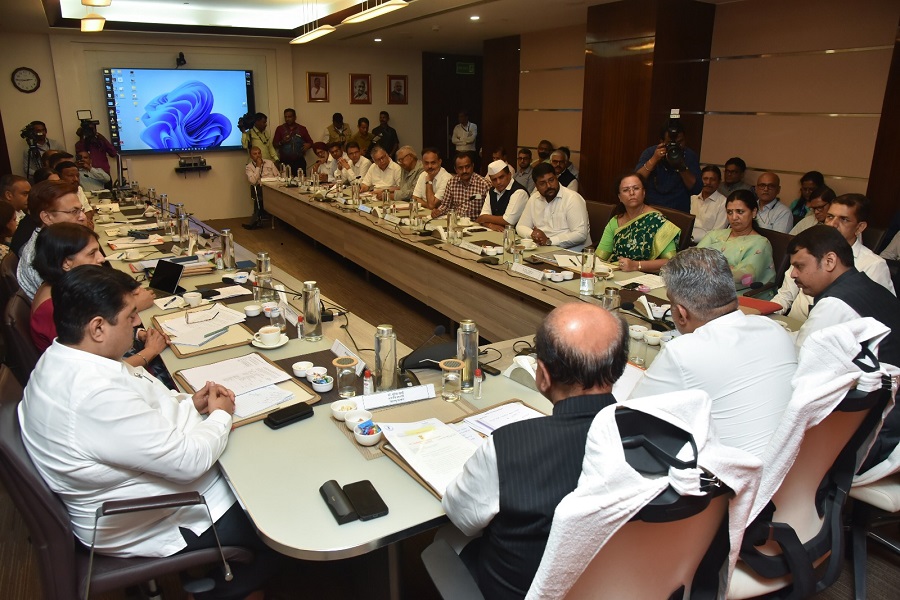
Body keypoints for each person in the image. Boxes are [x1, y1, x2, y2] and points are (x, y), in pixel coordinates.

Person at [19, 265, 277, 599]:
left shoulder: (64, 358)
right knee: (271, 515)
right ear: (98, 327)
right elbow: (188, 461)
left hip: (136, 495)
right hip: (153, 518)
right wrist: (219, 416)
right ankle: (222, 589)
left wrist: (191, 404)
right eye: (129, 316)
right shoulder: (92, 394)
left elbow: (140, 414)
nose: (137, 322)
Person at [443, 302, 628, 600]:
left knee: (444, 540)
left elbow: (460, 515)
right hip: (612, 585)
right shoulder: (654, 436)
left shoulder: (508, 447)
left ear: (542, 375)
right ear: (618, 369)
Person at [629, 247, 796, 457]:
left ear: (681, 314)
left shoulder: (683, 352)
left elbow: (628, 420)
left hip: (722, 474)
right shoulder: (774, 330)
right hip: (785, 464)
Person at [789, 226, 900, 472]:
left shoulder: (835, 304)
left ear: (829, 261)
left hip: (878, 432)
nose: (793, 274)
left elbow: (799, 365)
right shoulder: (868, 286)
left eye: (799, 266)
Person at [773, 191, 894, 321]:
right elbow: (785, 296)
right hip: (792, 325)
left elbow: (882, 316)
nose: (833, 224)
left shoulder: (873, 264)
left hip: (834, 331)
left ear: (860, 227)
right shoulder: (807, 251)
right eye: (830, 217)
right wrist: (763, 317)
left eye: (844, 219)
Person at [17, 180, 90, 301]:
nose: (83, 217)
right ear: (47, 217)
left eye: (81, 210)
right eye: (74, 211)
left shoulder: (54, 241)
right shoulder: (43, 256)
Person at [595, 172, 679, 272]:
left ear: (644, 192)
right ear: (619, 197)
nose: (631, 193)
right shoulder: (615, 221)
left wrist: (636, 265)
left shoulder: (657, 221)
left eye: (636, 188)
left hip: (647, 276)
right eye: (626, 190)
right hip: (618, 274)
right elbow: (599, 257)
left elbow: (670, 262)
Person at [697, 190, 776, 290]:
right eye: (729, 212)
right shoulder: (715, 234)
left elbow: (743, 278)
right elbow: (691, 259)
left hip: (739, 294)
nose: (734, 217)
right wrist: (724, 268)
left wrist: (705, 266)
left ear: (754, 212)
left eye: (740, 212)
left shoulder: (760, 243)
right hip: (703, 286)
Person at [516, 163, 590, 251]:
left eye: (551, 180)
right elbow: (520, 226)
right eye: (542, 183)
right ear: (536, 186)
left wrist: (549, 241)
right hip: (542, 250)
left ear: (556, 178)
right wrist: (534, 235)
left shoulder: (572, 199)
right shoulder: (534, 199)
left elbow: (580, 234)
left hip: (570, 252)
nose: (549, 186)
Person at [635, 120, 701, 212]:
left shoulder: (689, 155)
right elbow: (636, 180)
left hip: (678, 212)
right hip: (650, 211)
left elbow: (696, 189)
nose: (676, 146)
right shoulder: (650, 153)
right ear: (661, 142)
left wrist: (680, 165)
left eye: (680, 142)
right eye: (670, 143)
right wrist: (654, 160)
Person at [430, 152, 491, 220]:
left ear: (472, 166)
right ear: (455, 169)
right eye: (460, 168)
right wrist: (438, 211)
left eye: (467, 167)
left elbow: (490, 211)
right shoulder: (452, 182)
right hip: (457, 222)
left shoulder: (484, 184)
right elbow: (445, 205)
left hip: (475, 223)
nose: (464, 171)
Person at [477, 160, 529, 232]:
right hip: (496, 233)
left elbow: (508, 221)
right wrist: (490, 225)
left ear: (509, 175)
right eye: (494, 179)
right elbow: (481, 218)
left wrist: (485, 218)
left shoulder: (519, 192)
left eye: (501, 177)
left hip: (515, 236)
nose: (498, 182)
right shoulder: (492, 191)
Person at [243, 146, 280, 230]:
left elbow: (278, 176)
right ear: (251, 156)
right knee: (259, 193)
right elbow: (253, 181)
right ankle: (257, 218)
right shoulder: (249, 167)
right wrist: (258, 167)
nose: (258, 155)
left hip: (273, 187)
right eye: (255, 154)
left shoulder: (269, 163)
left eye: (259, 153)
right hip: (260, 188)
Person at [689, 165, 727, 243]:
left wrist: (692, 238)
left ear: (719, 182)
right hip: (684, 240)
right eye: (705, 179)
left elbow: (717, 233)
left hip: (707, 244)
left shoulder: (723, 202)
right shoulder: (692, 198)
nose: (708, 182)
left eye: (713, 179)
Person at [273, 108, 313, 177]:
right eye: (285, 117)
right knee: (285, 181)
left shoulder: (302, 129)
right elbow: (274, 144)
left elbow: (311, 142)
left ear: (295, 117)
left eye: (289, 117)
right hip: (285, 161)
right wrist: (282, 142)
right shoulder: (280, 129)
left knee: (301, 181)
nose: (287, 119)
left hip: (299, 161)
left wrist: (308, 145)